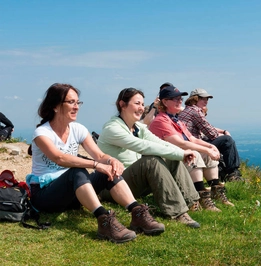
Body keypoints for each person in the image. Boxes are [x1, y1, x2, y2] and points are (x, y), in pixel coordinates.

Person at [25, 83, 165, 244]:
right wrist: (96, 164)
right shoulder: (42, 133)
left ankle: (137, 213)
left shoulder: (78, 129)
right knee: (77, 171)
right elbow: (59, 158)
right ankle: (104, 220)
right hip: (45, 196)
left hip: (70, 195)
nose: (76, 107)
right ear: (56, 106)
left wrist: (111, 161)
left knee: (106, 170)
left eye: (78, 102)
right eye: (71, 102)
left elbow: (98, 154)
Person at [97, 88, 201, 228]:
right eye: (137, 103)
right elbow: (144, 146)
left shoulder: (138, 127)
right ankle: (177, 212)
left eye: (142, 104)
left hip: (134, 182)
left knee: (170, 157)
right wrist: (181, 154)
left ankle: (192, 202)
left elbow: (159, 143)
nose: (141, 108)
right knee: (151, 161)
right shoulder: (113, 129)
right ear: (122, 104)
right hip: (112, 186)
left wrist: (180, 152)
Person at [149, 85, 234, 212]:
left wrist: (211, 147)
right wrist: (206, 149)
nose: (180, 101)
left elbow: (192, 139)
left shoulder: (176, 120)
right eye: (175, 99)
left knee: (206, 156)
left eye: (180, 99)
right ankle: (198, 198)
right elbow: (181, 143)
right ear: (165, 102)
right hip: (166, 160)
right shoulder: (161, 121)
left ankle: (216, 191)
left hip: (178, 155)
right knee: (196, 154)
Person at [179, 88, 243, 182]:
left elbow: (207, 128)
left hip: (188, 143)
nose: (206, 101)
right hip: (192, 145)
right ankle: (233, 174)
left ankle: (222, 173)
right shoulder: (195, 111)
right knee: (227, 141)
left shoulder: (187, 110)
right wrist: (224, 135)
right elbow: (211, 133)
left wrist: (222, 132)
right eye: (203, 99)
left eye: (207, 99)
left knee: (221, 142)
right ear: (195, 99)